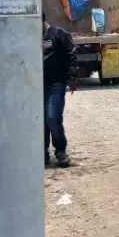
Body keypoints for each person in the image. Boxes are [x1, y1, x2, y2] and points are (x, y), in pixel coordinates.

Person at [42, 12, 78, 167]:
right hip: (36, 86)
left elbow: (72, 54)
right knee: (40, 121)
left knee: (52, 117)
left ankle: (60, 151)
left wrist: (73, 77)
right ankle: (42, 153)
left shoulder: (59, 34)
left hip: (56, 83)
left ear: (42, 19)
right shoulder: (30, 36)